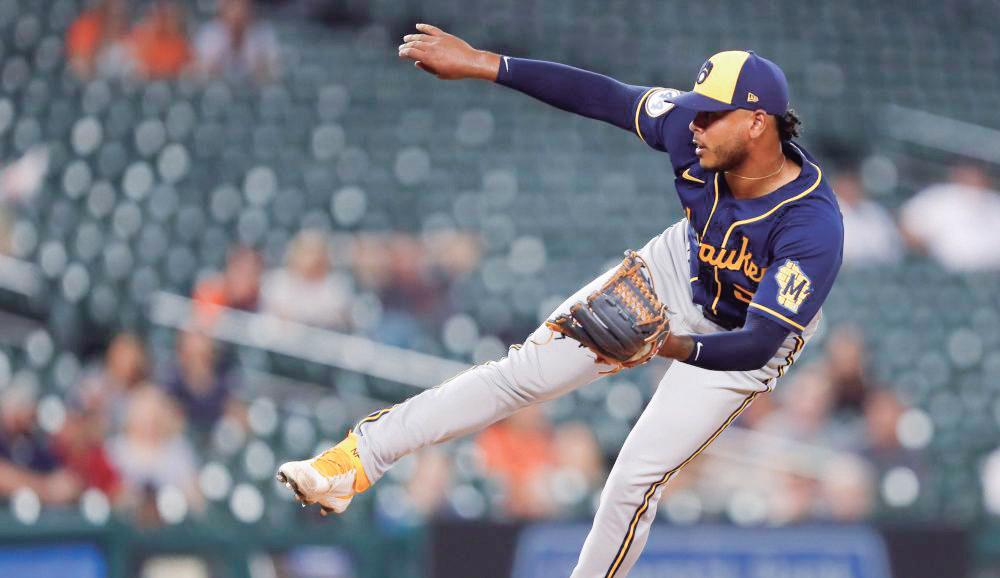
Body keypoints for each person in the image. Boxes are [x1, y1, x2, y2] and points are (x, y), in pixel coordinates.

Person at [277, 24, 843, 578]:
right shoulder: (690, 133)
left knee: (633, 479)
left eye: (710, 115)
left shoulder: (811, 227)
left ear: (756, 123)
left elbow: (759, 342)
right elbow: (603, 96)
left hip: (741, 338)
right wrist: (483, 63)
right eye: (694, 110)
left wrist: (666, 346)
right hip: (680, 266)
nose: (694, 124)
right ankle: (354, 462)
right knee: (522, 374)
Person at [194, 0, 280, 83]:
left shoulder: (263, 31)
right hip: (218, 87)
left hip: (254, 88)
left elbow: (273, 71)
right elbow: (202, 71)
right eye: (233, 6)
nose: (238, 11)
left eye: (242, 6)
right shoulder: (209, 32)